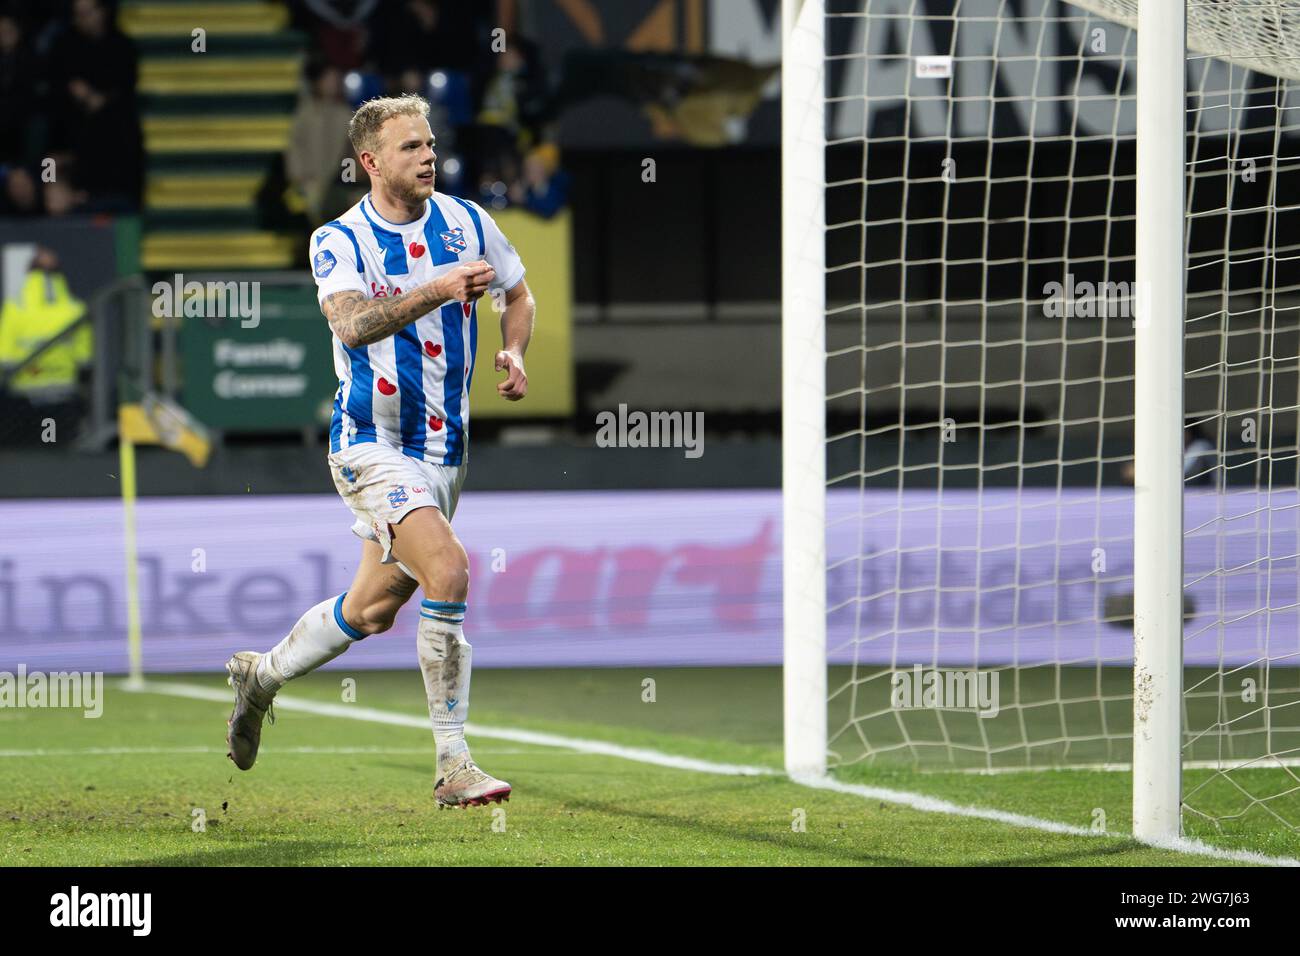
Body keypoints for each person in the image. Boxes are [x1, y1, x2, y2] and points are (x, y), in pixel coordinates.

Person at [224, 93, 536, 810]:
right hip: (370, 443)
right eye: (409, 147)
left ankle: (261, 677)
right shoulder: (338, 240)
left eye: (430, 143)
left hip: (444, 451)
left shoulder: (466, 221)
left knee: (369, 613)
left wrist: (513, 349)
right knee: (450, 570)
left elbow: (518, 294)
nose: (429, 156)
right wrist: (438, 289)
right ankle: (454, 765)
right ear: (370, 161)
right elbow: (354, 326)